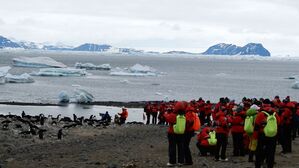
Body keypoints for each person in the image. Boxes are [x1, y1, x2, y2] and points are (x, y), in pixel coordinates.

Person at [254, 101, 280, 168]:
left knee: (259, 151)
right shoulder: (275, 114)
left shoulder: (260, 114)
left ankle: (258, 165)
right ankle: (270, 165)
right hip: (272, 135)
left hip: (262, 134)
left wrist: (255, 137)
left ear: (263, 105)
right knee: (271, 152)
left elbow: (256, 126)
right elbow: (279, 123)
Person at [164, 101, 186, 167]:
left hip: (172, 133)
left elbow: (167, 118)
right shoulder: (184, 115)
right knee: (181, 147)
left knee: (172, 147)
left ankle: (172, 162)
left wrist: (166, 113)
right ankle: (181, 161)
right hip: (181, 133)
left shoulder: (174, 115)